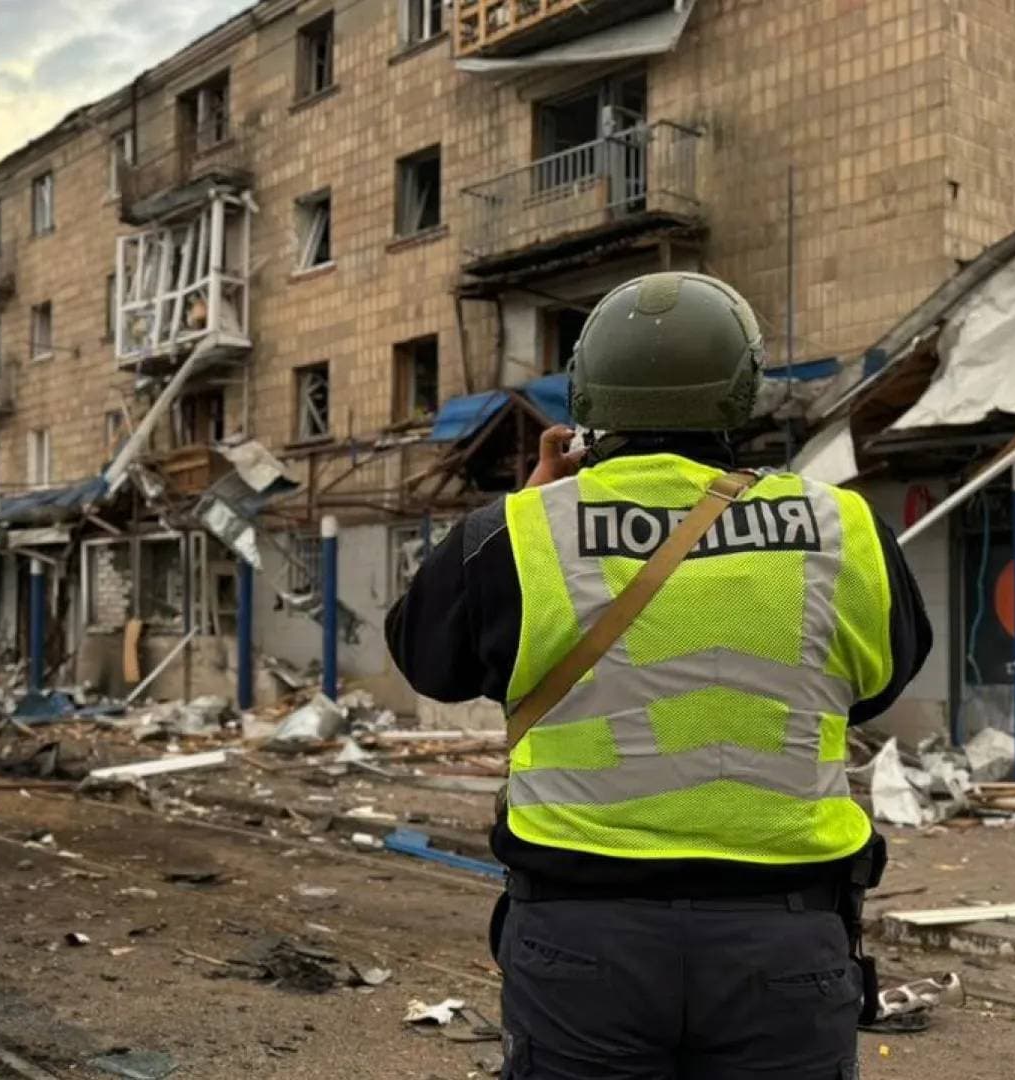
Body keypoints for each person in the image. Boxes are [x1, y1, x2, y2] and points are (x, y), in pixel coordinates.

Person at [387, 272, 931, 1079]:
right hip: (784, 941)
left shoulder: (515, 534)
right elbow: (878, 683)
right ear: (742, 392)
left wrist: (534, 502)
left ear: (588, 395)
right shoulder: (843, 527)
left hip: (582, 943)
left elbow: (428, 659)